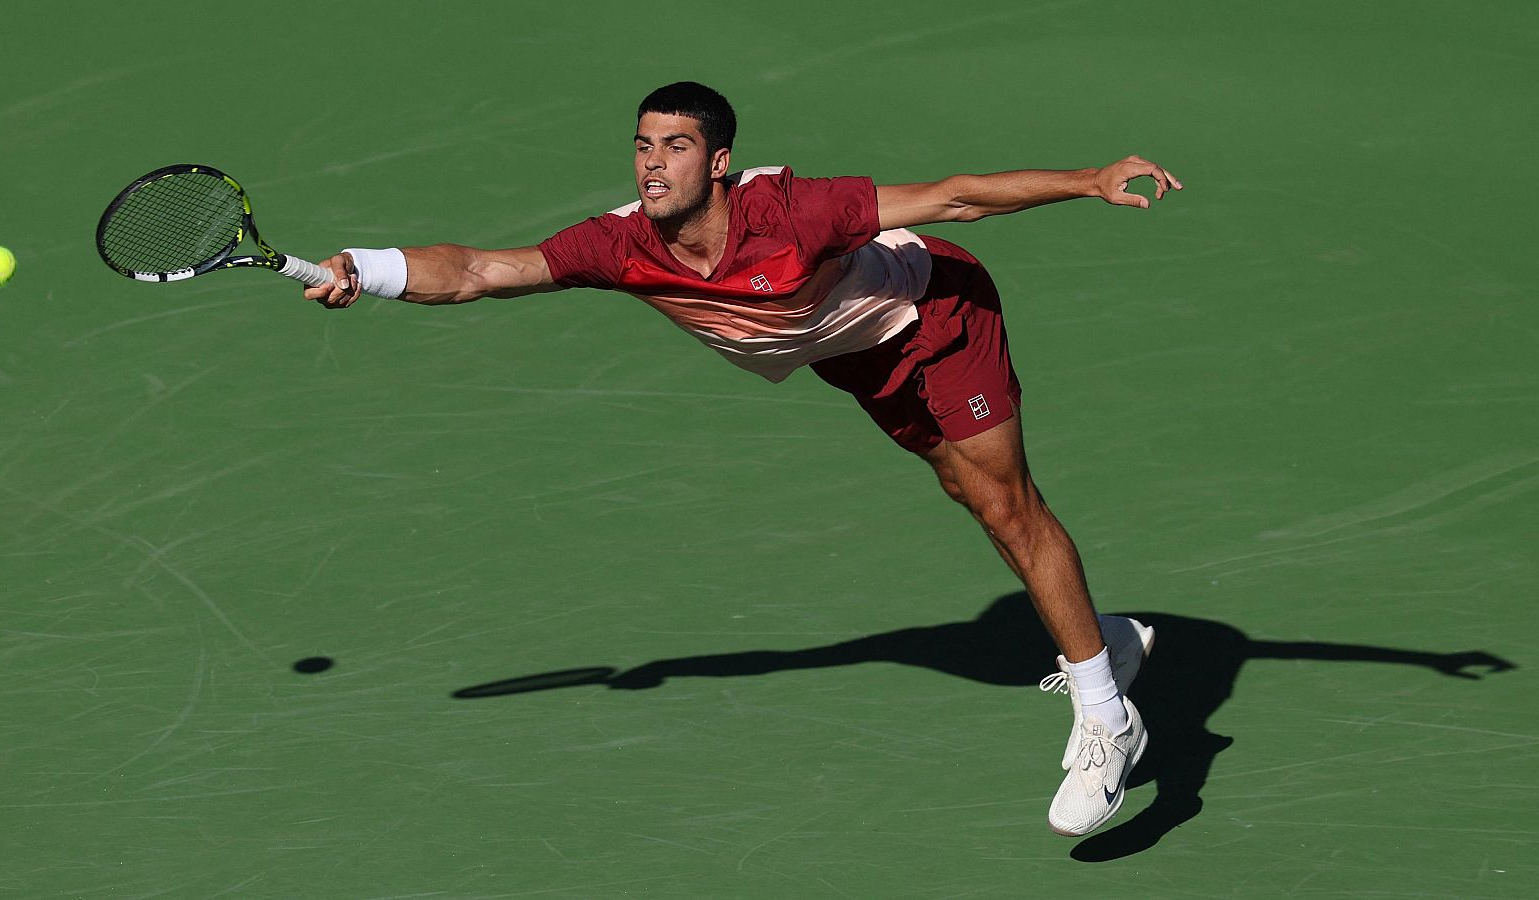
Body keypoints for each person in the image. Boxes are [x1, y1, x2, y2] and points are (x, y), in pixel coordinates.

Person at [304, 81, 1182, 836]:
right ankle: (1101, 642)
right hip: (852, 356)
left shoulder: (794, 212)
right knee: (963, 487)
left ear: (718, 162)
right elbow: (478, 271)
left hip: (938, 319)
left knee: (1005, 506)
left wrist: (1089, 180)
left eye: (676, 147)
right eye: (643, 145)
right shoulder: (622, 244)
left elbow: (952, 197)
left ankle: (1109, 718)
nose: (652, 164)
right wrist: (368, 267)